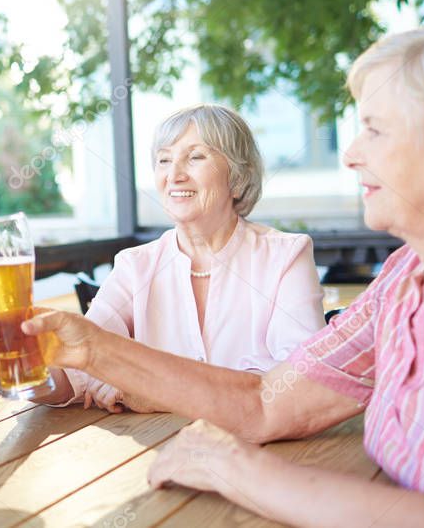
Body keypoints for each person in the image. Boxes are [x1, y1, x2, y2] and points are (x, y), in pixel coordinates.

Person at [0, 21, 424, 526]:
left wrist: (236, 468)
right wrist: (90, 348)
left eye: (374, 129)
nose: (350, 154)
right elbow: (263, 404)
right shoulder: (403, 279)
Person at [41, 104, 325, 412]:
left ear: (237, 174)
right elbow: (79, 366)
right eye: (164, 160)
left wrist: (155, 389)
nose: (174, 175)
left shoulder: (286, 255)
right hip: (152, 453)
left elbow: (302, 376)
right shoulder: (135, 265)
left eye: (195, 157)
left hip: (263, 453)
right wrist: (24, 366)